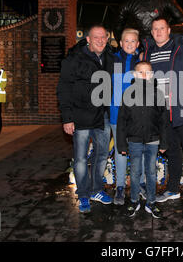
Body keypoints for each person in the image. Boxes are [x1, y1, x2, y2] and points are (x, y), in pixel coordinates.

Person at [142, 16, 183, 212]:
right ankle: (173, 189)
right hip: (163, 115)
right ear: (152, 31)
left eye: (162, 28)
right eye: (155, 29)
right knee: (172, 154)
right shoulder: (148, 53)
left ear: (169, 30)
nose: (158, 32)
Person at [57, 24, 115, 213]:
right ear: (88, 39)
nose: (100, 40)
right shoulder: (74, 59)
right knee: (81, 159)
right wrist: (67, 117)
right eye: (96, 37)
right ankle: (83, 194)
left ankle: (96, 190)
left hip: (102, 117)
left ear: (107, 39)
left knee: (101, 156)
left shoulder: (110, 58)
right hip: (80, 117)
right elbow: (64, 88)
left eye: (103, 37)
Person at [116, 61, 169, 218]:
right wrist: (121, 143)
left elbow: (164, 121)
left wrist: (164, 141)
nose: (144, 76)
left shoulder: (158, 94)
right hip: (134, 141)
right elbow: (121, 121)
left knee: (151, 172)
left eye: (148, 72)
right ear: (134, 74)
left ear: (152, 75)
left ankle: (151, 202)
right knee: (135, 172)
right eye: (141, 72)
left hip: (153, 140)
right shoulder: (128, 94)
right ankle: (134, 201)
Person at [109, 28, 147, 205]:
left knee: (138, 150)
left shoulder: (142, 61)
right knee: (120, 151)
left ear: (137, 44)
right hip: (117, 113)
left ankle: (140, 183)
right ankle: (120, 186)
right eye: (126, 41)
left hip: (137, 114)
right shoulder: (113, 59)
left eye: (133, 41)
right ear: (121, 43)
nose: (130, 44)